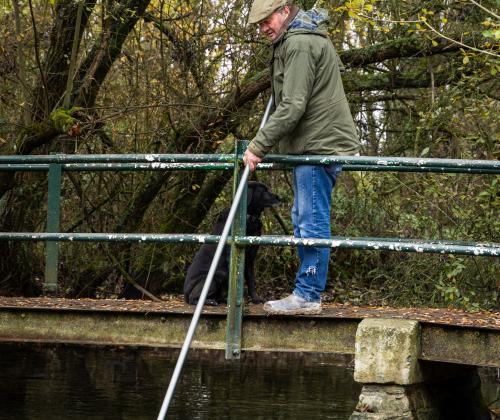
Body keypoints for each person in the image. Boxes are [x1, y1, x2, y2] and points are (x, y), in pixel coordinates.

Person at [243, 0, 360, 314]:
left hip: (318, 147)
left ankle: (308, 294)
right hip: (315, 144)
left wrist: (258, 146)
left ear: (283, 12)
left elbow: (293, 106)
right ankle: (307, 292)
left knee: (310, 222)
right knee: (304, 218)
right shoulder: (295, 40)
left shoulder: (298, 44)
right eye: (258, 24)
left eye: (266, 20)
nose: (263, 28)